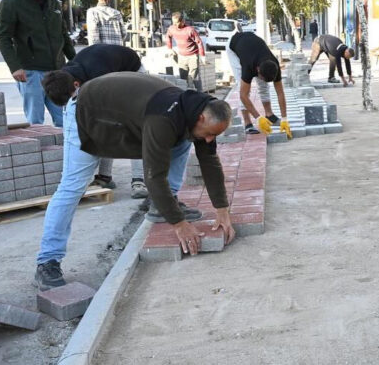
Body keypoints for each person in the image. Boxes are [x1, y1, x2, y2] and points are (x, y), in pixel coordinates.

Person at [35, 72, 236, 290]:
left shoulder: (196, 109)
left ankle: (163, 206)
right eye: (209, 134)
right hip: (86, 113)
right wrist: (179, 224)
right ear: (202, 118)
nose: (209, 139)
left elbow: (210, 161)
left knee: (183, 142)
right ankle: (48, 261)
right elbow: (153, 176)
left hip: (126, 114)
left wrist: (222, 210)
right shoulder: (163, 120)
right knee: (71, 187)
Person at [42, 44, 149, 198]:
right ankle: (104, 177)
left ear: (77, 85)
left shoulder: (99, 77)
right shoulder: (63, 78)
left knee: (129, 127)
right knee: (103, 127)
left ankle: (138, 180)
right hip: (108, 67)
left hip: (131, 71)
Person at [0, 0, 75, 127]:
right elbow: (4, 38)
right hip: (31, 73)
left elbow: (63, 36)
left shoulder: (53, 4)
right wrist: (14, 66)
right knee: (36, 123)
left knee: (66, 120)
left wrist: (75, 62)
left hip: (58, 71)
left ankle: (64, 152)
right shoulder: (12, 4)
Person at [226, 32, 292, 138]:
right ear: (257, 70)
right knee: (243, 88)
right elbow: (243, 95)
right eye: (262, 77)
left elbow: (280, 92)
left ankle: (269, 115)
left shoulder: (274, 64)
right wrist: (258, 118)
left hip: (252, 45)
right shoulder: (248, 66)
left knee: (264, 86)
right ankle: (248, 123)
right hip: (234, 46)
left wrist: (284, 118)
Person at [166, 12, 206, 91]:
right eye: (174, 23)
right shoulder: (172, 29)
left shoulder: (190, 30)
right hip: (181, 56)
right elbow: (168, 37)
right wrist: (170, 48)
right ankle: (185, 96)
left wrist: (202, 56)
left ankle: (195, 94)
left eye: (177, 23)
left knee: (192, 78)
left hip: (192, 56)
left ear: (182, 21)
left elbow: (199, 42)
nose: (175, 25)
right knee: (183, 79)